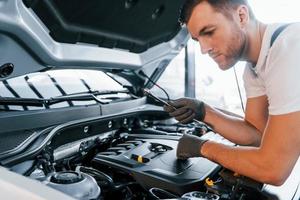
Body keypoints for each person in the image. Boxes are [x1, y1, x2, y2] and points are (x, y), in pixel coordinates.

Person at [164, 0, 300, 186]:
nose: (204, 49)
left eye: (209, 32)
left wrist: (203, 148)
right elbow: (257, 134)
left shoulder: (290, 47)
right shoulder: (253, 71)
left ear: (241, 16)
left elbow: (273, 168)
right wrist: (204, 112)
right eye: (197, 40)